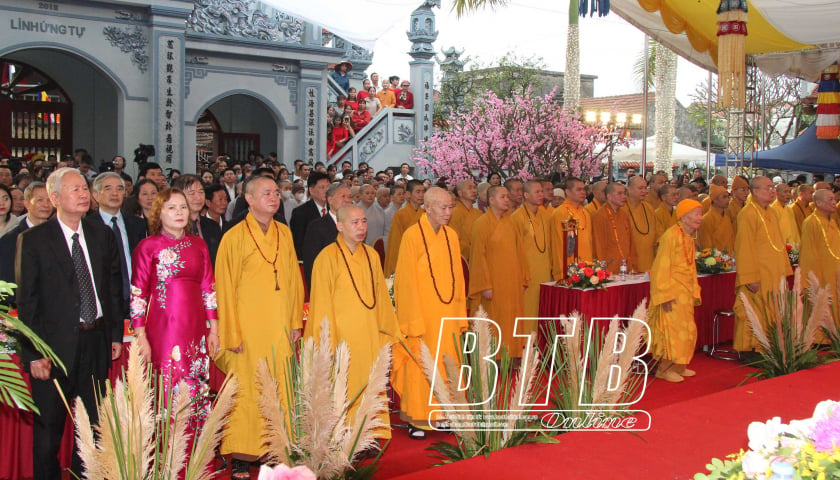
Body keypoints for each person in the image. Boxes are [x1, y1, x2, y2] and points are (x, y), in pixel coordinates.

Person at [17, 168, 124, 480]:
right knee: (49, 431)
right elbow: (28, 301)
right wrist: (33, 353)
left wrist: (114, 333)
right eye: (74, 189)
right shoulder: (34, 240)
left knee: (94, 427)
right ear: (54, 199)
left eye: (83, 188)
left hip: (95, 342)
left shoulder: (101, 234)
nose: (82, 194)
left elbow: (111, 288)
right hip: (53, 349)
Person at [214, 175, 303, 478]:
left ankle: (275, 448)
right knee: (246, 390)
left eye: (277, 193)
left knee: (277, 388)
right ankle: (240, 455)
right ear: (248, 199)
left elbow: (293, 279)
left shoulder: (284, 233)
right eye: (266, 193)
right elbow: (223, 288)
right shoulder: (234, 236)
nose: (274, 198)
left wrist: (294, 322)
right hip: (247, 329)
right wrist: (231, 333)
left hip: (278, 325)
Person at [305, 204, 401, 442]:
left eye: (364, 222)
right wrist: (327, 341)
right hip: (342, 337)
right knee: (344, 387)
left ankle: (367, 435)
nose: (361, 227)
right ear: (339, 226)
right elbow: (321, 304)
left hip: (368, 334)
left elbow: (380, 298)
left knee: (369, 384)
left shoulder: (371, 255)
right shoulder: (326, 258)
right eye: (354, 223)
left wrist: (387, 333)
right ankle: (343, 437)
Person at [129, 188, 218, 436]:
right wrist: (141, 336)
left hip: (196, 328)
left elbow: (208, 288)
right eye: (171, 207)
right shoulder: (148, 247)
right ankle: (169, 453)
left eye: (183, 207)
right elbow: (138, 294)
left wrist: (214, 329)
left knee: (197, 387)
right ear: (159, 213)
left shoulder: (198, 245)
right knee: (168, 388)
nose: (179, 212)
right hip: (163, 329)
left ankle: (197, 457)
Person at [391, 187, 467, 439]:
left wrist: (460, 313)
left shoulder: (452, 236)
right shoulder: (412, 236)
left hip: (447, 312)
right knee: (422, 363)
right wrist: (412, 320)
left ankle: (447, 415)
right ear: (428, 208)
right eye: (443, 208)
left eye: (451, 207)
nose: (448, 213)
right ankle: (419, 418)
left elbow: (458, 277)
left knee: (449, 363)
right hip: (422, 314)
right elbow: (405, 281)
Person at [733, 176, 792, 352]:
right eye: (769, 188)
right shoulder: (748, 213)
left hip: (774, 273)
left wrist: (785, 269)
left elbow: (778, 243)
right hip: (758, 275)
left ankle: (769, 347)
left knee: (773, 310)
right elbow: (744, 247)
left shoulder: (772, 212)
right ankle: (750, 350)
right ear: (756, 191)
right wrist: (750, 277)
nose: (773, 191)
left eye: (773, 187)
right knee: (754, 311)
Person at [469, 185, 528, 356]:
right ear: (491, 200)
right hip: (493, 283)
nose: (507, 200)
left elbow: (520, 252)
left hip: (513, 281)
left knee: (512, 318)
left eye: (507, 197)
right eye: (503, 197)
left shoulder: (511, 222)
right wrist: (485, 285)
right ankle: (494, 355)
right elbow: (478, 257)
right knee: (495, 318)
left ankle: (513, 353)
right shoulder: (481, 224)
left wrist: (523, 278)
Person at [649, 199, 703, 382]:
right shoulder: (670, 236)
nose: (700, 218)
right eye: (696, 214)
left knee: (687, 330)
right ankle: (664, 369)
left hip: (685, 293)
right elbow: (660, 268)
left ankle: (679, 367)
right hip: (672, 293)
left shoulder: (688, 237)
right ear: (685, 216)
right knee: (672, 332)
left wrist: (694, 290)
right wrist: (664, 296)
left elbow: (690, 267)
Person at [88, 172, 148, 319]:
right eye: (108, 188)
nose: (115, 193)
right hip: (104, 302)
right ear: (95, 195)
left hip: (136, 299)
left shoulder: (137, 224)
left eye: (120, 189)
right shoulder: (88, 227)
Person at [511, 180, 551, 318]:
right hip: (527, 273)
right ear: (526, 195)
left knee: (543, 310)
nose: (541, 195)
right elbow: (514, 250)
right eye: (537, 192)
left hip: (544, 271)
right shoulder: (517, 217)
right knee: (528, 311)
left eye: (541, 191)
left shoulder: (545, 215)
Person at [302, 183, 351, 288]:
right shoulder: (316, 227)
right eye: (343, 196)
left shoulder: (354, 225)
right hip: (328, 286)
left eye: (349, 197)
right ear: (330, 200)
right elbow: (311, 265)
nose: (348, 200)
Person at [799, 189, 840, 314]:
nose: (834, 202)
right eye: (830, 199)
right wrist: (810, 284)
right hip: (821, 278)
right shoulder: (811, 223)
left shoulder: (832, 222)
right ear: (819, 203)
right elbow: (807, 255)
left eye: (834, 199)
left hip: (835, 276)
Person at [174, 175, 223, 267]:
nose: (198, 197)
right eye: (191, 193)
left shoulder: (213, 226)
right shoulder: (173, 228)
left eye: (201, 192)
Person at [550, 177, 593, 280]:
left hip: (586, 267)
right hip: (569, 268)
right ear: (568, 192)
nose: (583, 192)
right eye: (578, 190)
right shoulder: (561, 213)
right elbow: (559, 245)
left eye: (583, 189)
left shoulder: (585, 212)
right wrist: (566, 270)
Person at [384, 179, 425, 276]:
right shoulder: (400, 215)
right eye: (418, 192)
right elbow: (395, 243)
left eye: (423, 192)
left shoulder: (425, 214)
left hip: (423, 258)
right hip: (406, 256)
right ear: (408, 195)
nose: (421, 195)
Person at [592, 182, 634, 273]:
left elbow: (629, 241)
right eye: (619, 193)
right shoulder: (599, 215)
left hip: (625, 265)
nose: (624, 197)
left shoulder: (624, 214)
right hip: (609, 266)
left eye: (624, 193)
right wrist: (602, 268)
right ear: (609, 196)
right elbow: (598, 245)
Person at [290, 171, 330, 259]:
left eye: (328, 187)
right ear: (311, 190)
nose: (326, 191)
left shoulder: (335, 210)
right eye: (322, 187)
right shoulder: (300, 213)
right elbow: (298, 244)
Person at [623, 175, 656, 272]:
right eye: (640, 188)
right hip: (630, 259)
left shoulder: (649, 208)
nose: (644, 191)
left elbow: (656, 231)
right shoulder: (622, 208)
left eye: (645, 188)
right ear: (629, 189)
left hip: (649, 258)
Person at [449, 179, 482, 259]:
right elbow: (453, 240)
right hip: (462, 258)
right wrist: (472, 251)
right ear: (460, 193)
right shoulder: (454, 213)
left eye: (474, 188)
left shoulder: (478, 213)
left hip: (479, 255)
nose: (474, 191)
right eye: (470, 188)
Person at [698, 184, 735, 252]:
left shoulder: (726, 218)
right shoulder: (707, 219)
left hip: (729, 258)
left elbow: (731, 239)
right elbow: (706, 245)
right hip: (715, 260)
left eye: (728, 197)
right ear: (714, 200)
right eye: (724, 197)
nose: (727, 200)